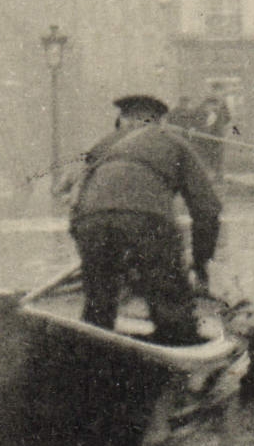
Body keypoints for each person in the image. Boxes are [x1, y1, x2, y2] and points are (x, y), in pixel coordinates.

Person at [66, 94, 222, 345]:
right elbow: (207, 210)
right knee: (171, 305)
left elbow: (74, 198)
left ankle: (92, 356)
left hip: (89, 221)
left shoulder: (102, 144)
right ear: (161, 122)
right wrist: (201, 261)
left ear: (122, 121)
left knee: (98, 305)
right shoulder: (174, 142)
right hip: (148, 220)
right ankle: (176, 348)